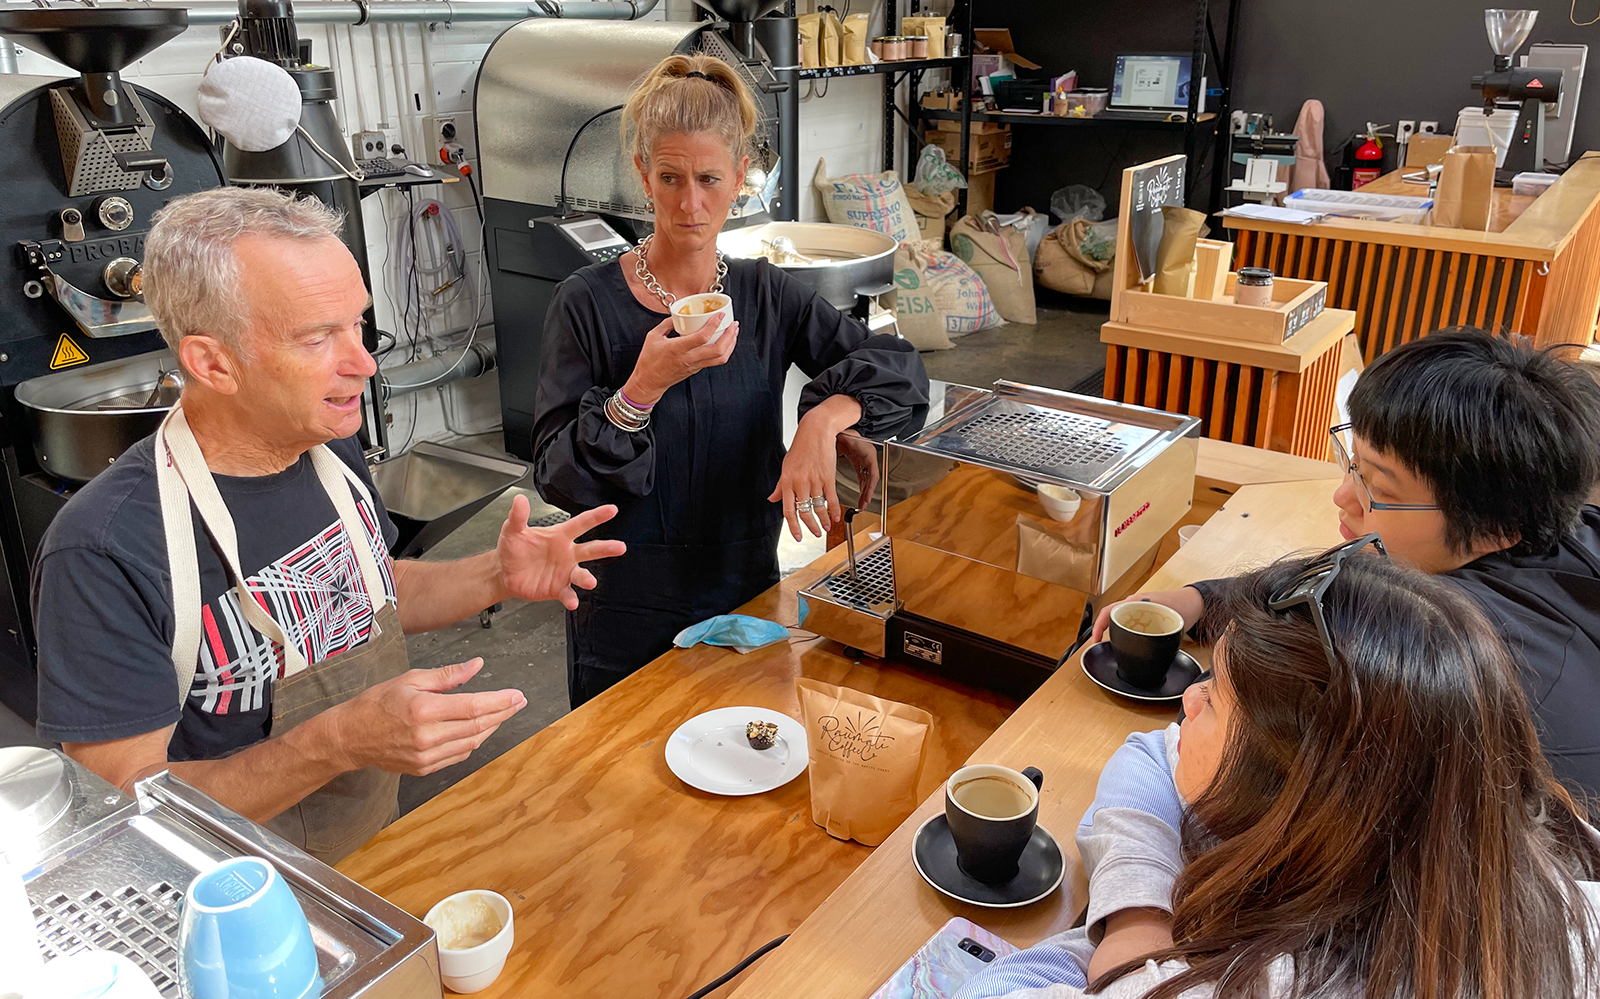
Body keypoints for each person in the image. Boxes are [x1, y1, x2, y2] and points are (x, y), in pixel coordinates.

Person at [31, 188, 625, 864]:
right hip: (234, 902)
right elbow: (125, 802)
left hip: (373, 847)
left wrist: (495, 574)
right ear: (212, 362)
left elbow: (363, 588)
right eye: (318, 338)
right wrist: (333, 742)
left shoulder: (327, 446)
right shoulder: (105, 547)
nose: (364, 363)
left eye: (358, 324)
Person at [957, 542, 1600, 999]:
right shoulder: (1500, 838)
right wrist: (1138, 917)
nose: (1189, 700)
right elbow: (1153, 752)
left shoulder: (1264, 980)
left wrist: (1131, 959)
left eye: (1218, 697)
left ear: (1298, 783)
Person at [532, 53, 928, 707]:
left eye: (711, 179)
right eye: (671, 177)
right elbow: (557, 474)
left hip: (743, 598)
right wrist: (640, 392)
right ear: (643, 175)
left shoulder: (766, 295)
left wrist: (824, 418)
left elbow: (901, 369)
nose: (691, 203)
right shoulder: (585, 304)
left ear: (741, 177)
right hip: (626, 612)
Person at [1095, 329, 1600, 797]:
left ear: (1496, 529)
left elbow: (1213, 770)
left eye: (1378, 488)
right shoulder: (1564, 532)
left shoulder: (1433, 653)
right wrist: (1201, 598)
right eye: (1352, 464)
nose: (1344, 496)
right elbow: (1336, 580)